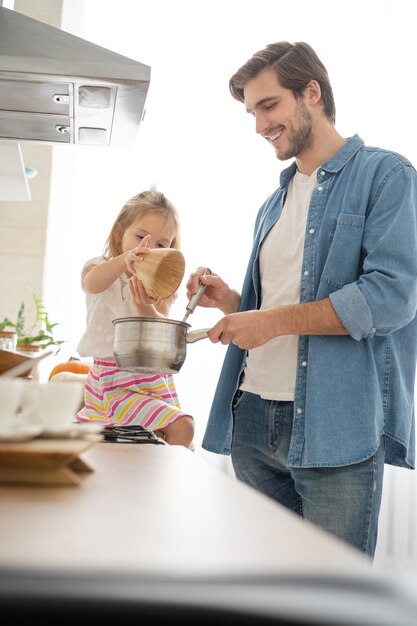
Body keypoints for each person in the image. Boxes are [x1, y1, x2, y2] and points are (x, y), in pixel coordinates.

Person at [186, 41, 417, 556]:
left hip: (335, 427)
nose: (258, 125)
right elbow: (287, 303)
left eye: (268, 106)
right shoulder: (275, 201)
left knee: (332, 597)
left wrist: (269, 321)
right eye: (251, 112)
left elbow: (391, 298)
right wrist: (233, 302)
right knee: (269, 593)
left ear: (311, 92)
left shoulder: (387, 176)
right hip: (253, 418)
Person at [77, 190, 194, 448]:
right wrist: (124, 261)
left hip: (151, 378)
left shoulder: (160, 286)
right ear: (119, 234)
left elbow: (160, 326)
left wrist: (146, 310)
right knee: (182, 426)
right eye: (141, 237)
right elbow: (92, 283)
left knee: (150, 444)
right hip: (112, 381)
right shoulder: (99, 267)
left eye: (161, 245)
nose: (148, 249)